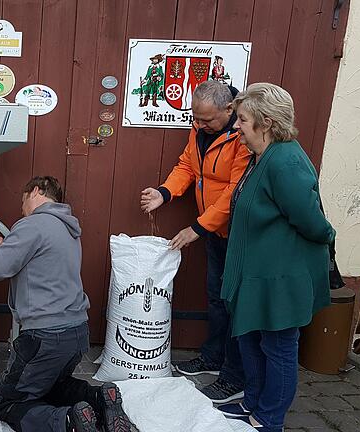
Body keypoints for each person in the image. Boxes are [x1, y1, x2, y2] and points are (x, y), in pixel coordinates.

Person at [216, 83, 334, 432]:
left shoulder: (285, 162)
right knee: (251, 338)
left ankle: (269, 418)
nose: (236, 126)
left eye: (242, 119)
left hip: (281, 277)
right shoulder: (260, 157)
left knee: (279, 347)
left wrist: (329, 237)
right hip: (257, 274)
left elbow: (312, 222)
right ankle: (252, 403)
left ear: (265, 123)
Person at [0, 176, 130, 432]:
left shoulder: (32, 225)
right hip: (77, 332)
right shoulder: (68, 228)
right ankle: (100, 399)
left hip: (46, 336)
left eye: (22, 200)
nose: (21, 208)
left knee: (8, 403)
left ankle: (68, 422)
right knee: (51, 386)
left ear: (36, 191)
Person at [140, 79, 251, 403]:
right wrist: (164, 192)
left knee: (235, 305)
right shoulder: (200, 129)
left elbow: (235, 192)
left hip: (236, 234)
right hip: (214, 233)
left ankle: (234, 376)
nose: (197, 124)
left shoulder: (243, 136)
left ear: (229, 110)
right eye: (195, 118)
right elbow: (188, 166)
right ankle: (212, 358)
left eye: (205, 120)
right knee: (216, 298)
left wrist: (198, 228)